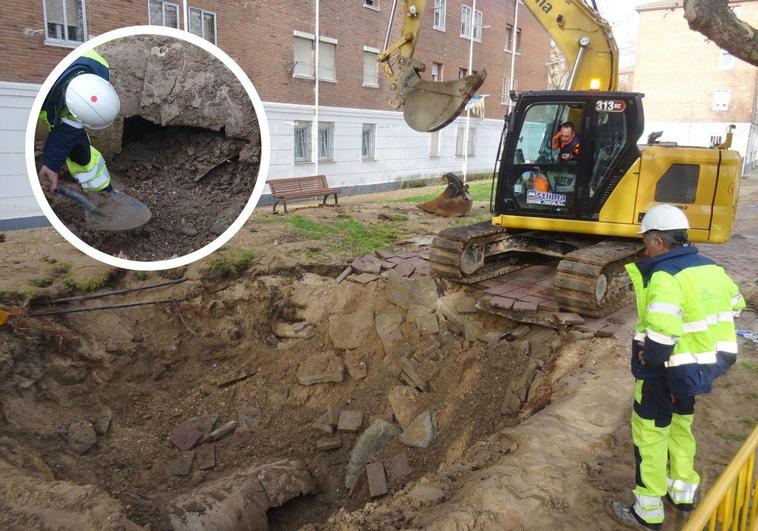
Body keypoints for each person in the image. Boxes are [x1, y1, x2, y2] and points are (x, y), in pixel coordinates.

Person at [610, 204, 746, 530]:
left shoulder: (664, 276)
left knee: (650, 436)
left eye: (646, 241)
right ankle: (683, 492)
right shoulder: (712, 268)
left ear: (658, 241)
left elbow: (661, 329)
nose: (644, 247)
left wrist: (651, 358)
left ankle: (648, 511)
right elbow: (736, 306)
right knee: (681, 428)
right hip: (699, 370)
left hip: (664, 372)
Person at [38, 48, 120, 194]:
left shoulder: (100, 67)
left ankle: (103, 193)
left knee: (78, 147)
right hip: (46, 103)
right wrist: (50, 164)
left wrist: (51, 164)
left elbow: (70, 129)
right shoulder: (40, 95)